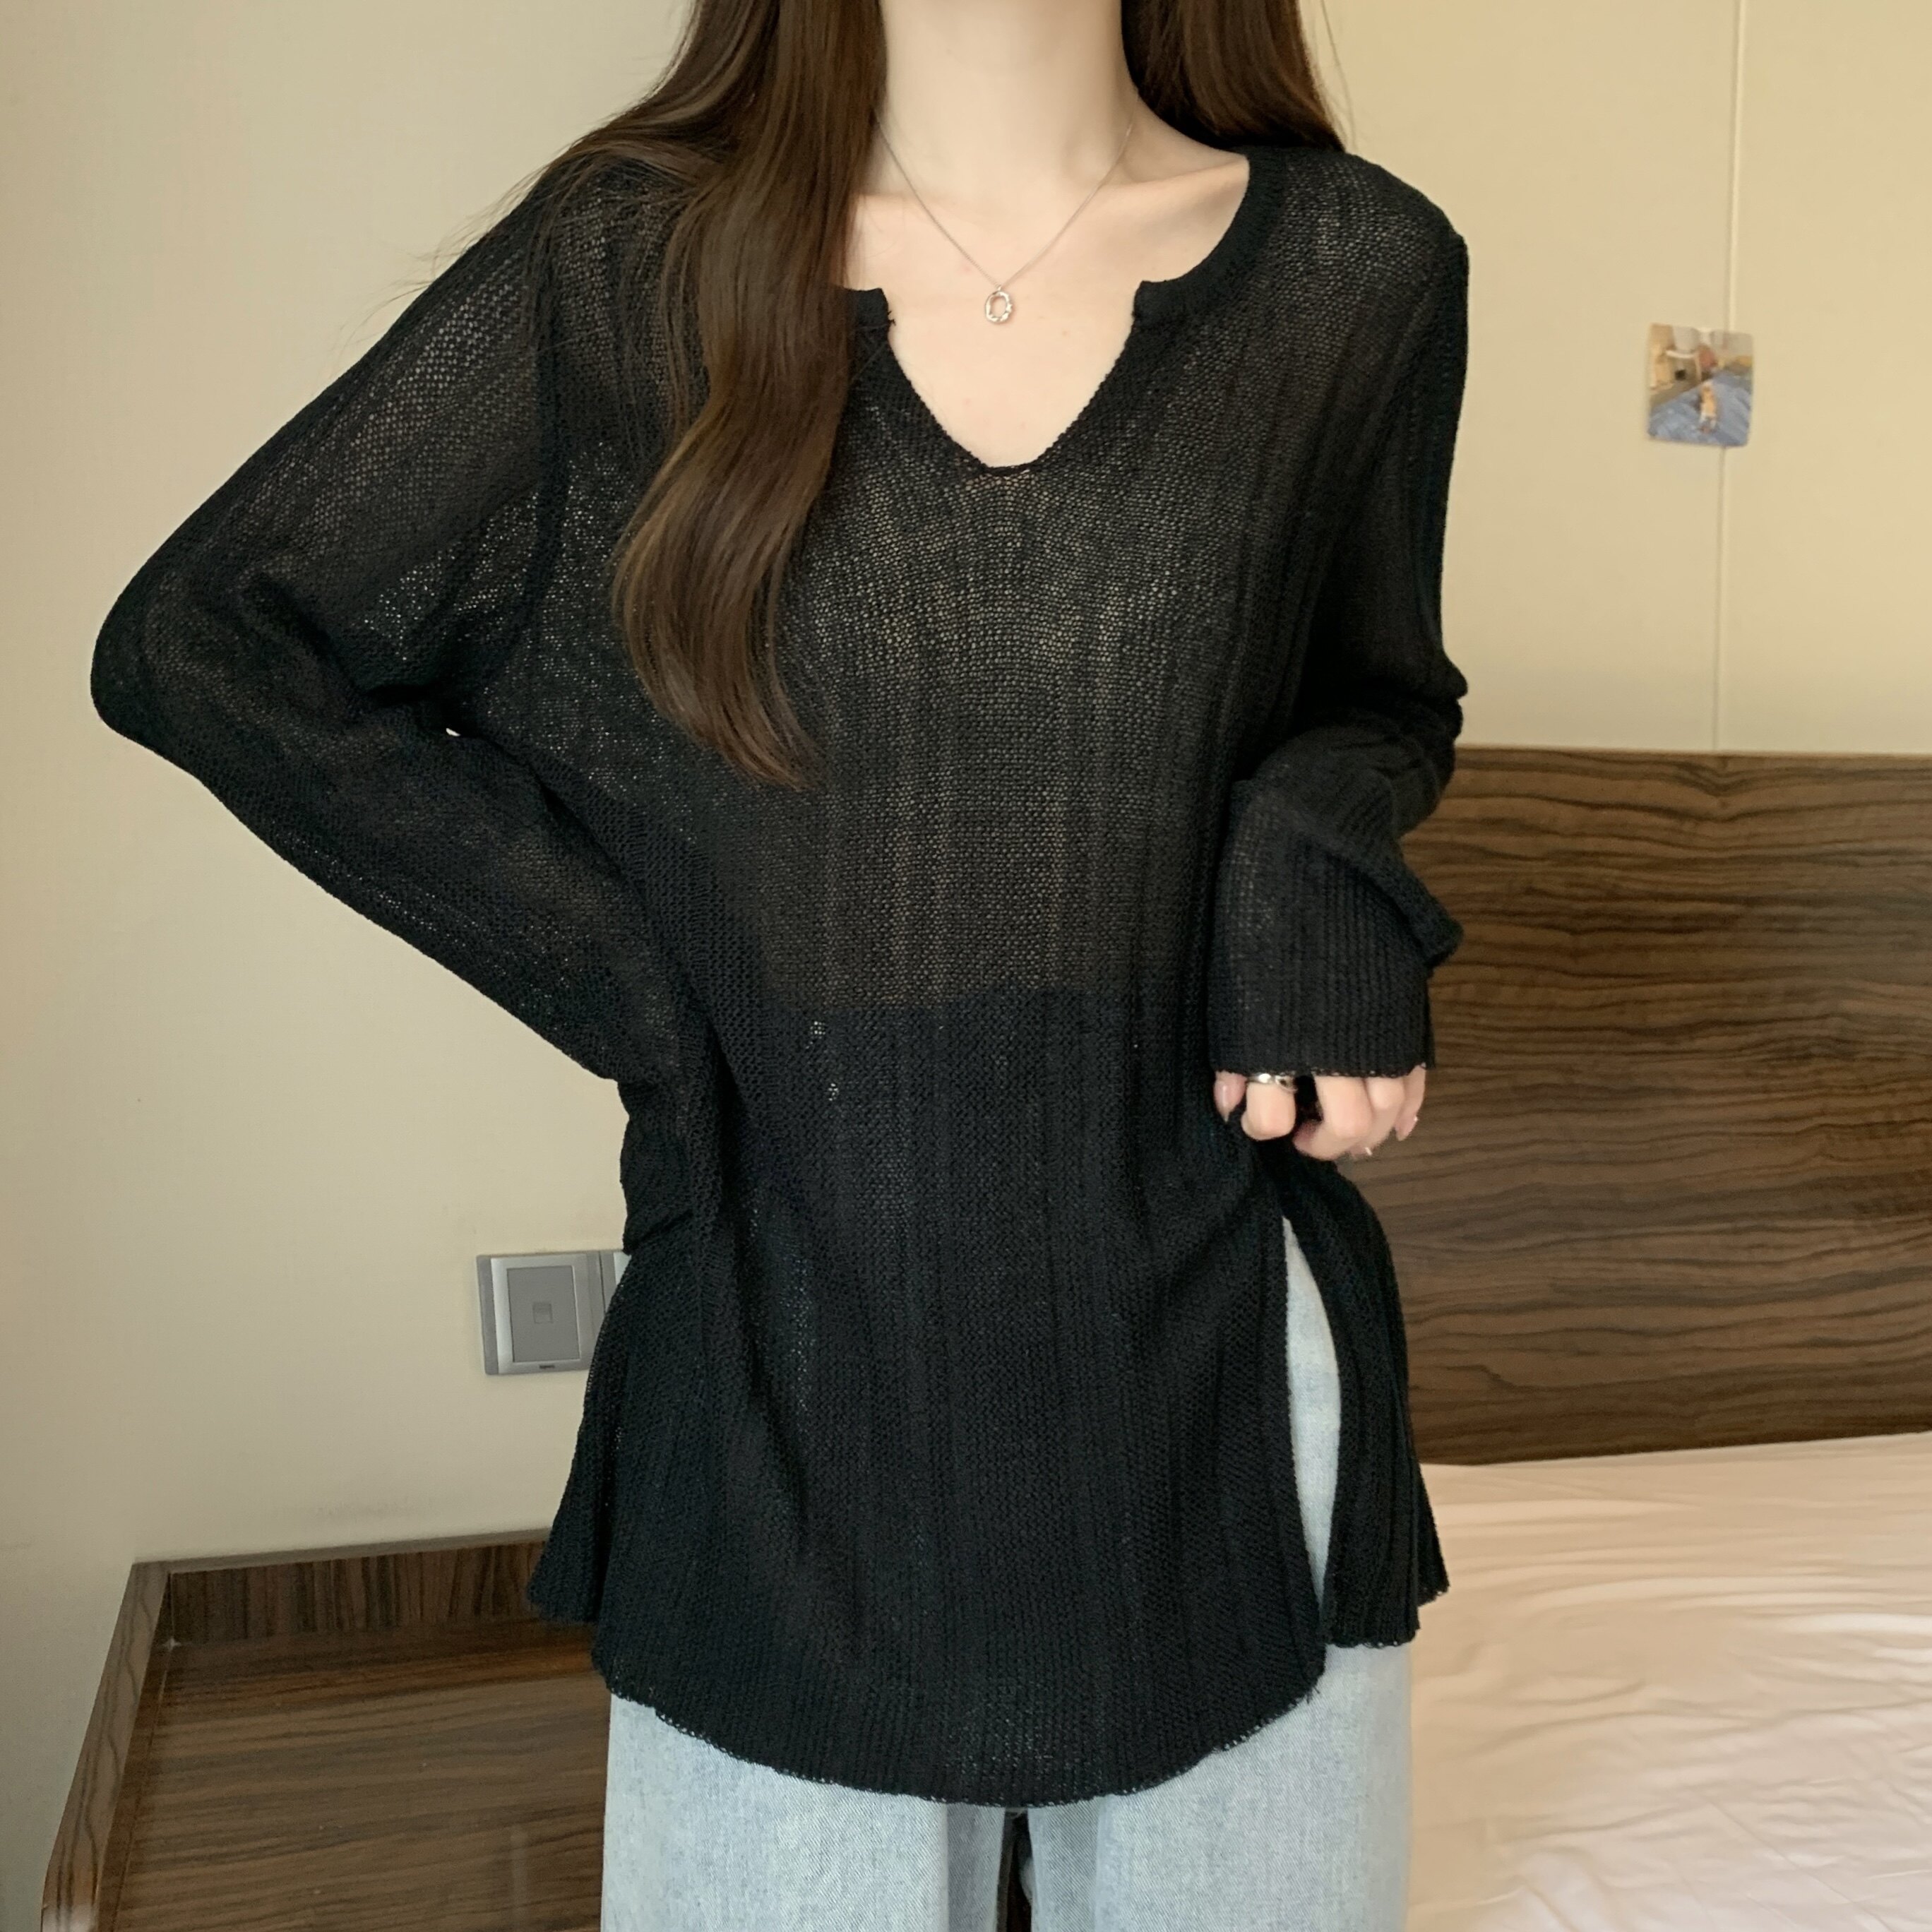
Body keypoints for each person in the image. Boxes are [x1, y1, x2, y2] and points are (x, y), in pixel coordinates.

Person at [89, 0, 1472, 1924]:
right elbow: (211, 644)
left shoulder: (1356, 272)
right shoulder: (629, 269)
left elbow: (1379, 697)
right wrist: (643, 997)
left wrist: (1307, 858)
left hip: (1222, 1364)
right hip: (780, 1360)